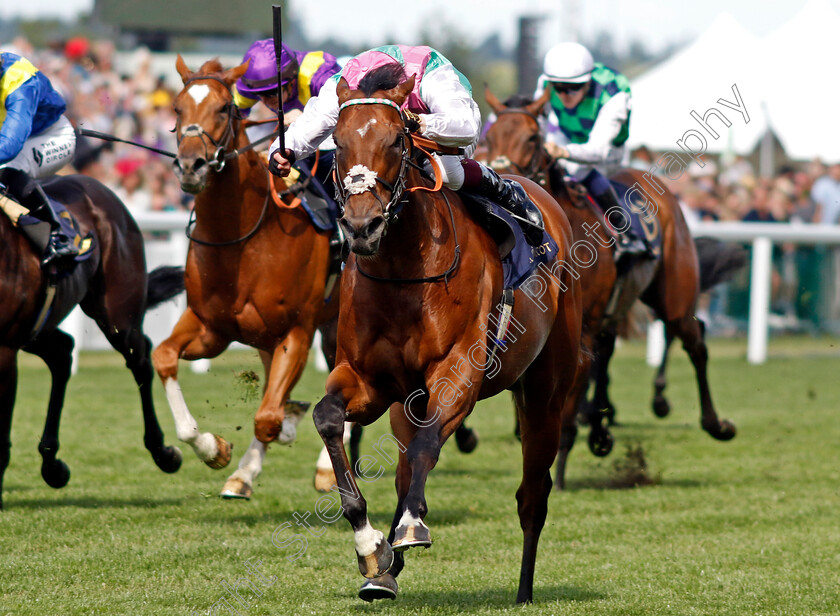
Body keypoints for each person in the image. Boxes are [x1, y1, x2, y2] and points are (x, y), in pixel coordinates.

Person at [268, 44, 544, 246]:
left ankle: (504, 191)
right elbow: (307, 127)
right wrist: (282, 151)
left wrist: (419, 122)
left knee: (448, 172)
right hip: (388, 128)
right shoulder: (340, 87)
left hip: (434, 120)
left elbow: (466, 128)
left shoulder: (433, 77)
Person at [535, 42, 647, 261]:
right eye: (559, 88)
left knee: (577, 168)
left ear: (588, 82)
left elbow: (598, 151)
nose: (565, 95)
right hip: (569, 137)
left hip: (608, 150)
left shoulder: (615, 93)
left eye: (573, 88)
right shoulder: (545, 83)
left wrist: (562, 152)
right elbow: (539, 124)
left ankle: (626, 232)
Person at [0, 50, 79, 265]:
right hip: (12, 138)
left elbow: (10, 146)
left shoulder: (19, 84)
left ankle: (57, 235)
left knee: (9, 169)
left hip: (51, 137)